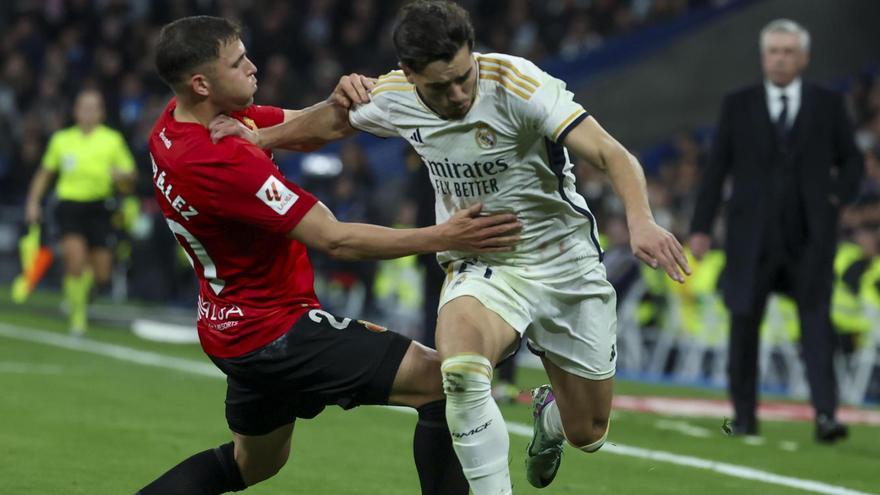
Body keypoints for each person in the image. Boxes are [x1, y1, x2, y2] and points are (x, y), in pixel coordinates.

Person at [211, 2, 690, 492]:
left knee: (588, 431)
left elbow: (612, 153)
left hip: (566, 265)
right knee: (458, 372)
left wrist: (642, 221)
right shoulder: (396, 95)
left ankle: (552, 419)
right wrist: (260, 136)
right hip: (484, 263)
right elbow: (333, 123)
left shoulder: (516, 84)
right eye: (441, 86)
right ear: (411, 74)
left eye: (464, 76)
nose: (459, 93)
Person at [138, 16, 522, 495]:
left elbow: (310, 128)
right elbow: (336, 240)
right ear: (201, 83)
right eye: (238, 63)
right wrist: (446, 236)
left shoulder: (178, 124)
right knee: (441, 383)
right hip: (275, 330)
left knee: (251, 465)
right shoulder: (219, 161)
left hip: (230, 328)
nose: (253, 68)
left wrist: (352, 96)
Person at [688, 19, 863, 443]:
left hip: (809, 238)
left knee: (817, 326)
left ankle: (825, 416)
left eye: (788, 51)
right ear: (763, 56)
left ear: (803, 57)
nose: (780, 58)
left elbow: (853, 161)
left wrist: (836, 198)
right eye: (773, 51)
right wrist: (700, 227)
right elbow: (716, 170)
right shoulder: (738, 103)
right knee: (744, 326)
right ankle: (744, 415)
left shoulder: (828, 103)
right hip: (751, 238)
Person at [24, 88, 136, 335]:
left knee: (102, 273)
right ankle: (78, 319)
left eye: (92, 107)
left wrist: (123, 177)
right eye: (83, 107)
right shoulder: (61, 140)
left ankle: (80, 297)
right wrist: (33, 202)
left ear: (101, 112)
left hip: (100, 208)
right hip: (70, 206)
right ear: (75, 111)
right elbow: (45, 174)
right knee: (74, 260)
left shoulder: (112, 140)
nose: (87, 112)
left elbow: (130, 177)